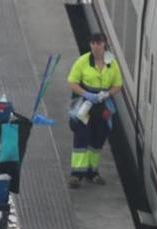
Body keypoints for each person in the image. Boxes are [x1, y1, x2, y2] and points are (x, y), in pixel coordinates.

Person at [66, 32, 123, 187]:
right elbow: (72, 82)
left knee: (98, 139)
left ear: (105, 44)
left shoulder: (112, 63)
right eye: (93, 43)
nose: (96, 46)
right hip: (85, 104)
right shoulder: (82, 61)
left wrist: (108, 94)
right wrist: (86, 94)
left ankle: (92, 172)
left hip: (102, 105)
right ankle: (76, 174)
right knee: (82, 137)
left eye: (99, 43)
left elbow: (118, 84)